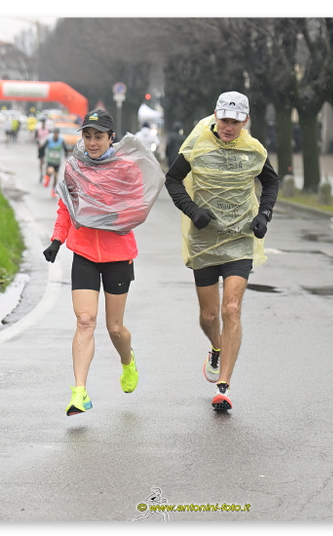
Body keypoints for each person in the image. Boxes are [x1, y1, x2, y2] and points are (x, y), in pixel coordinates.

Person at [43, 109, 164, 416]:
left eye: (99, 136)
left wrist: (104, 211)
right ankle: (79, 392)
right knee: (85, 320)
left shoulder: (125, 168)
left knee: (114, 328)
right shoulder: (75, 168)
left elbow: (136, 207)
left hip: (118, 255)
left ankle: (128, 361)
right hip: (83, 253)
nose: (92, 142)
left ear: (112, 137)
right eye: (87, 136)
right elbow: (66, 206)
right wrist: (57, 239)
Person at [165, 91, 280, 411]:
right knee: (209, 315)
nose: (229, 127)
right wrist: (192, 211)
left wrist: (264, 215)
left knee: (231, 309)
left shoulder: (254, 150)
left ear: (246, 121)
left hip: (239, 239)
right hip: (204, 241)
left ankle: (224, 385)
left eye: (235, 122)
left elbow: (271, 183)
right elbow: (172, 180)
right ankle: (216, 347)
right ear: (216, 116)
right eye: (225, 120)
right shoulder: (197, 145)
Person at [42, 128, 65, 197]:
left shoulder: (61, 140)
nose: (56, 134)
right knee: (50, 171)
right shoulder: (49, 140)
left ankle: (53, 190)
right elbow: (43, 147)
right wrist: (42, 156)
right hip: (50, 160)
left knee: (55, 176)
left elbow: (65, 149)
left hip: (57, 161)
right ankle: (47, 178)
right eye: (55, 133)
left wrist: (66, 157)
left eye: (57, 133)